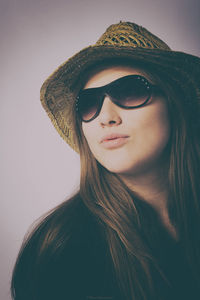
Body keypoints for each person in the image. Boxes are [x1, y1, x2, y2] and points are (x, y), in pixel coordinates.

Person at [11, 21, 200, 300]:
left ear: (174, 105)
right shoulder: (61, 249)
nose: (105, 117)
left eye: (130, 91)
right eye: (89, 103)